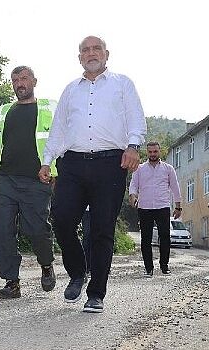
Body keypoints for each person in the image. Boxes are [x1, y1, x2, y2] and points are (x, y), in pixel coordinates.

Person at [40, 35, 146, 313]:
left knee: (101, 230)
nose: (91, 53)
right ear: (79, 58)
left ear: (106, 54)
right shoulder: (70, 90)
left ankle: (96, 293)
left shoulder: (123, 84)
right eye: (85, 50)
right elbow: (59, 129)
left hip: (110, 163)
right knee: (62, 220)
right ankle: (78, 272)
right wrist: (46, 160)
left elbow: (136, 117)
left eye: (95, 48)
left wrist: (133, 145)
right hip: (72, 164)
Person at [0, 65, 57, 299]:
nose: (20, 83)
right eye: (15, 80)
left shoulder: (48, 109)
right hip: (5, 180)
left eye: (24, 78)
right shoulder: (5, 112)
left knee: (37, 229)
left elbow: (61, 142)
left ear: (34, 81)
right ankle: (12, 282)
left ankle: (46, 263)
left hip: (37, 181)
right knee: (1, 231)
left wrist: (60, 173)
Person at [128, 141, 182, 277]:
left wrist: (178, 206)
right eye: (150, 152)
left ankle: (164, 266)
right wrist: (133, 196)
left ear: (159, 152)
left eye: (155, 151)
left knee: (165, 237)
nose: (153, 154)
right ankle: (148, 268)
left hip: (162, 206)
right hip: (144, 207)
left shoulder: (168, 169)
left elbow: (175, 188)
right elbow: (133, 186)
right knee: (146, 239)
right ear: (147, 152)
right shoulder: (139, 169)